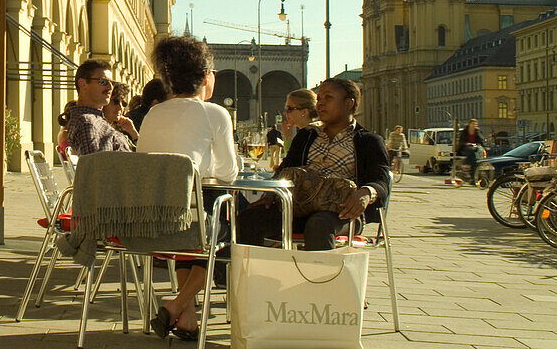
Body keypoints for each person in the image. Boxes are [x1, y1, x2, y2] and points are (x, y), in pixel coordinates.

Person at [136, 37, 237, 341]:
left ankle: (188, 319)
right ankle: (177, 304)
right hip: (186, 222)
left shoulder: (153, 114)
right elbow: (229, 173)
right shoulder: (215, 113)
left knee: (192, 226)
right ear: (207, 76)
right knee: (223, 230)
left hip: (148, 222)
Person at [237, 78, 390, 251]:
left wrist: (366, 192)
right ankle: (252, 274)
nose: (320, 104)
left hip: (342, 213)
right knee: (248, 218)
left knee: (318, 224)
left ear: (349, 103)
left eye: (328, 98)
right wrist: (272, 193)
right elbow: (285, 169)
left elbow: (382, 180)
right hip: (299, 207)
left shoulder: (368, 142)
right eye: (319, 99)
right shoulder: (307, 136)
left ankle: (321, 276)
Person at [63, 60, 134, 155]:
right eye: (103, 81)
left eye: (111, 83)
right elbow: (95, 166)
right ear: (83, 84)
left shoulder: (95, 121)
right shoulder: (87, 122)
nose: (110, 87)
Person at [281, 88, 317, 155]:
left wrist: (288, 139)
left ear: (304, 112)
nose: (285, 113)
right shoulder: (307, 133)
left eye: (289, 109)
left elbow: (293, 162)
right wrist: (287, 137)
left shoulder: (310, 136)